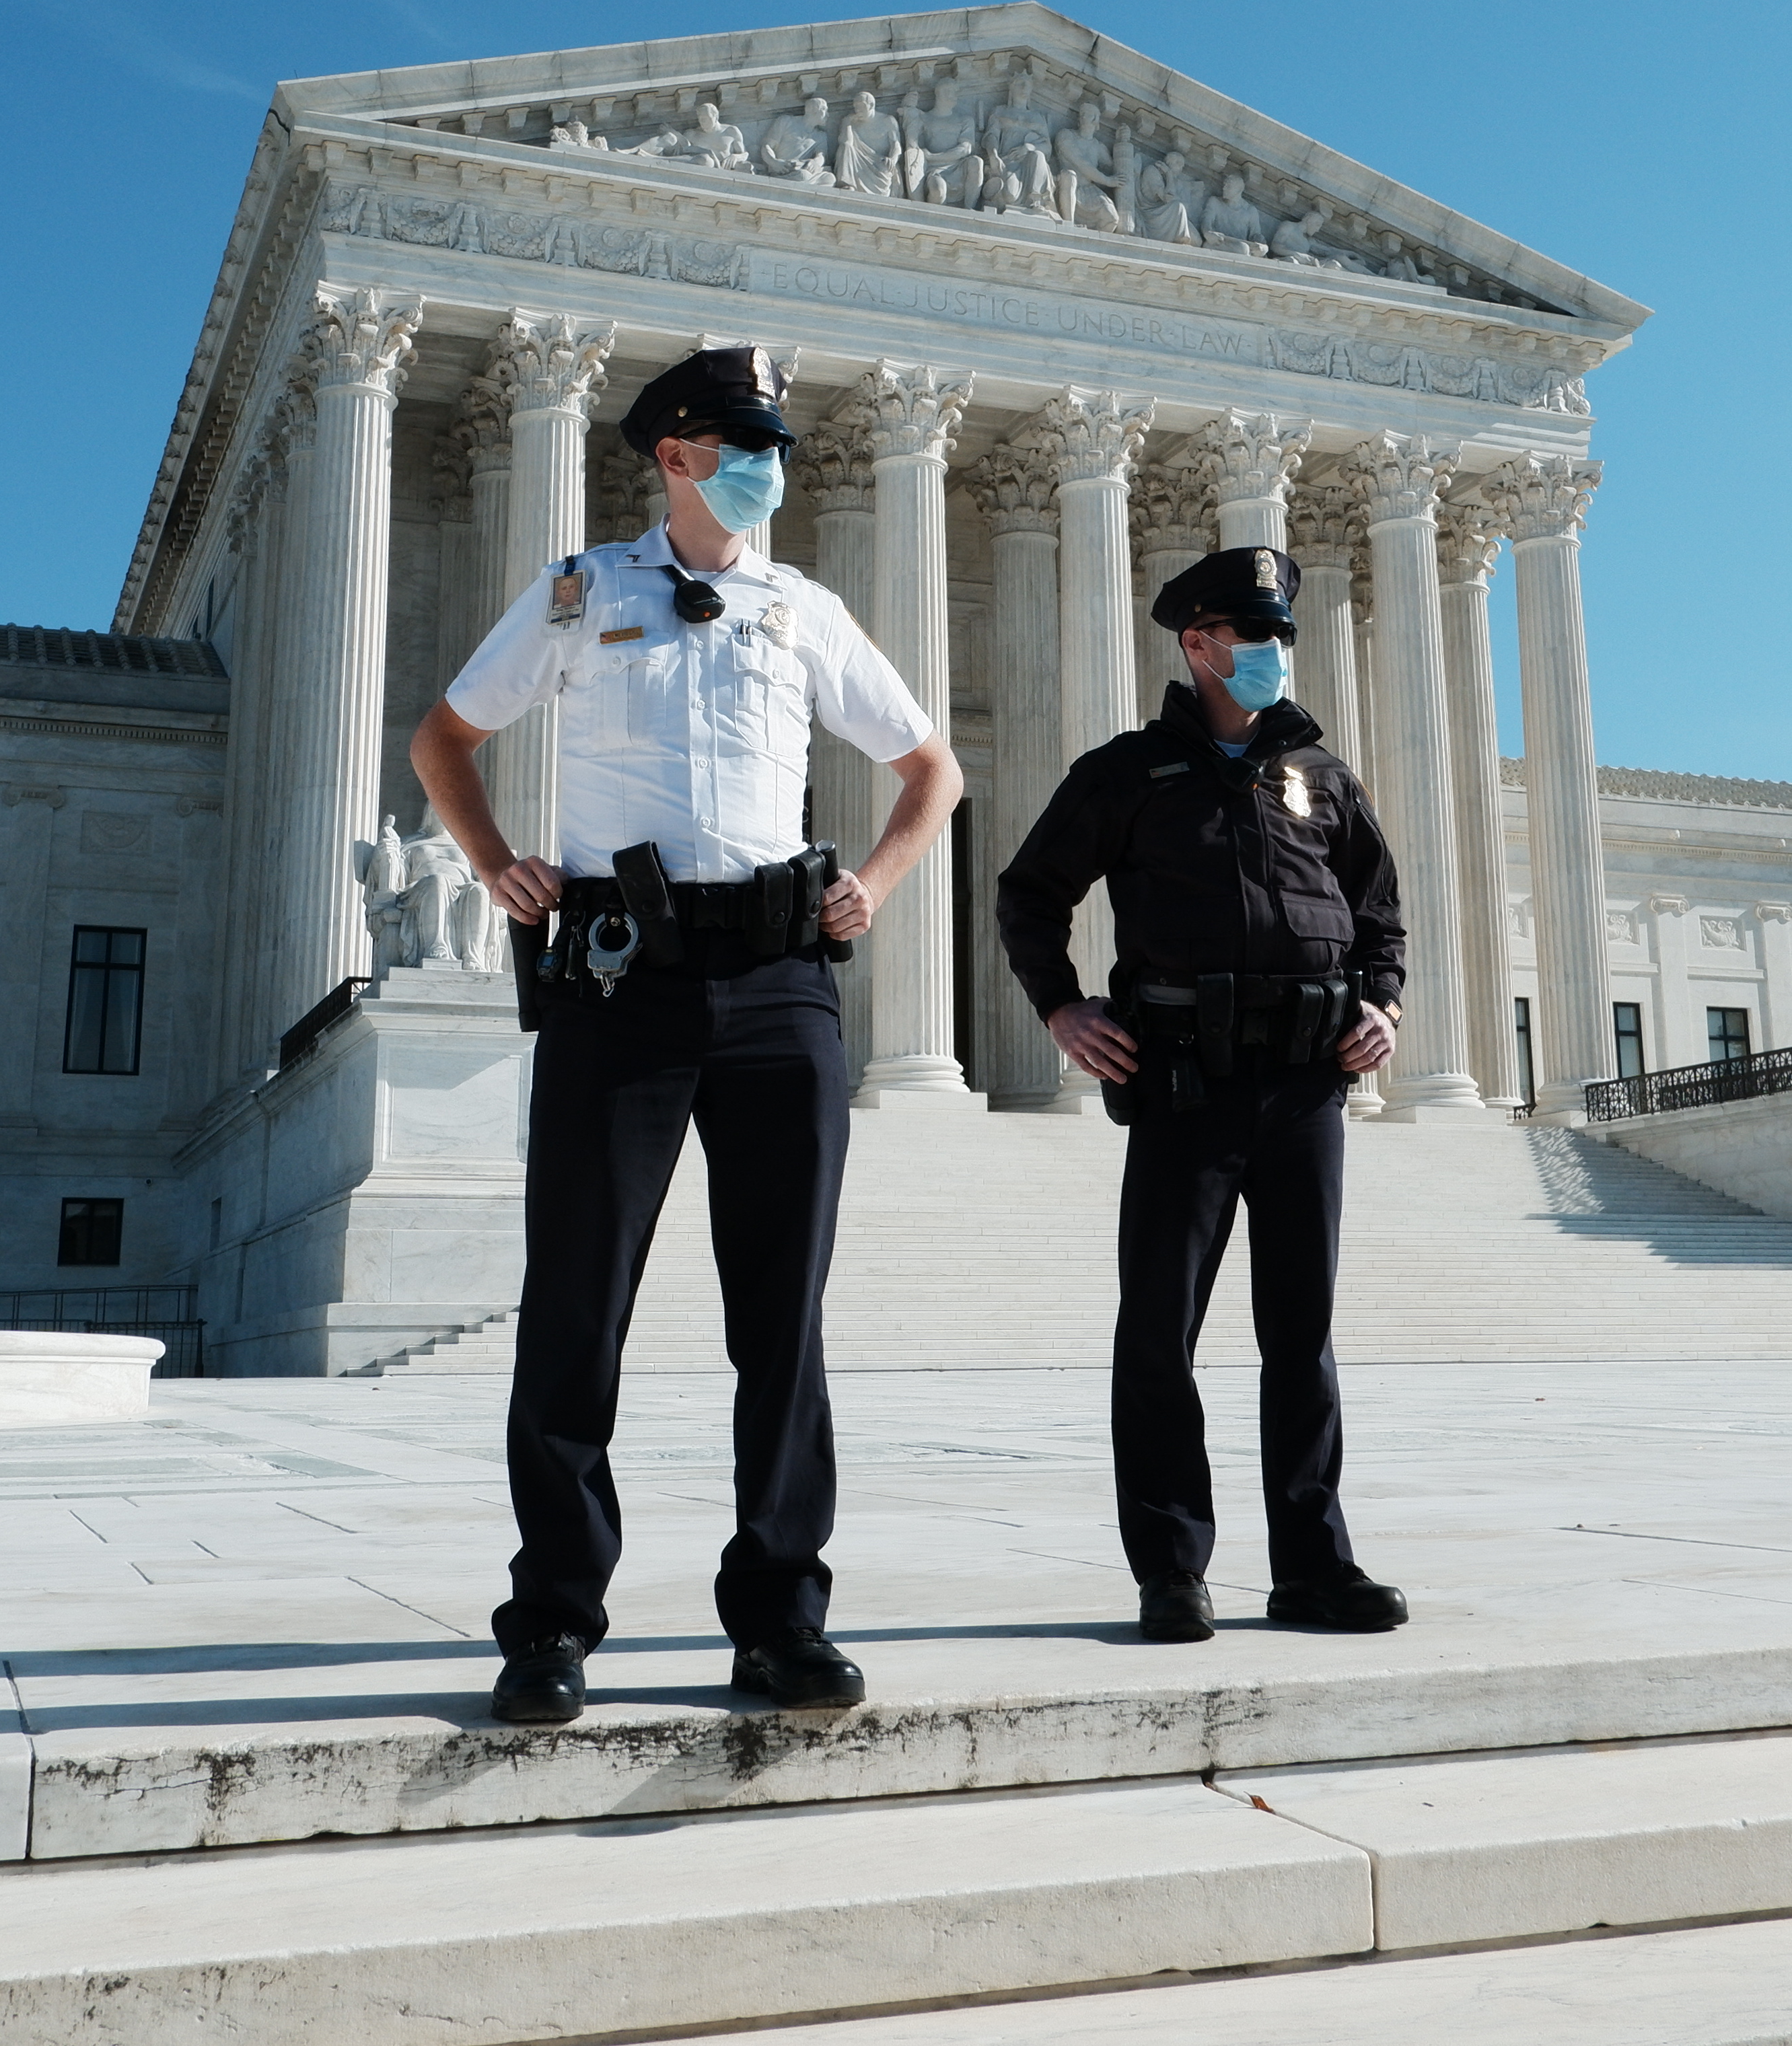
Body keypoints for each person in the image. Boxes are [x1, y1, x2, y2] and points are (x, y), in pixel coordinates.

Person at [413, 346, 963, 1726]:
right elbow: (444, 737)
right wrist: (496, 865)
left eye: (771, 441)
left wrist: (877, 885)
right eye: (741, 440)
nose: (767, 462)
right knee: (577, 1302)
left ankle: (780, 1614)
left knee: (782, 1316)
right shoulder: (584, 591)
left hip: (781, 974)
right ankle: (551, 1619)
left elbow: (931, 770)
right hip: (625, 972)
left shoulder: (803, 608)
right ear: (674, 452)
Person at [993, 545, 1411, 1646]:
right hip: (1185, 1078)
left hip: (1308, 1081)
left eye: (1280, 635)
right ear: (1198, 643)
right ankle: (1172, 1570)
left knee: (1302, 1334)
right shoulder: (1127, 773)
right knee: (1161, 1331)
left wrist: (1385, 1004)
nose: (1272, 652)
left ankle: (1314, 1565)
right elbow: (1030, 895)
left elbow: (1379, 910)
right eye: (1252, 634)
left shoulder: (1321, 775)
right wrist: (1063, 1010)